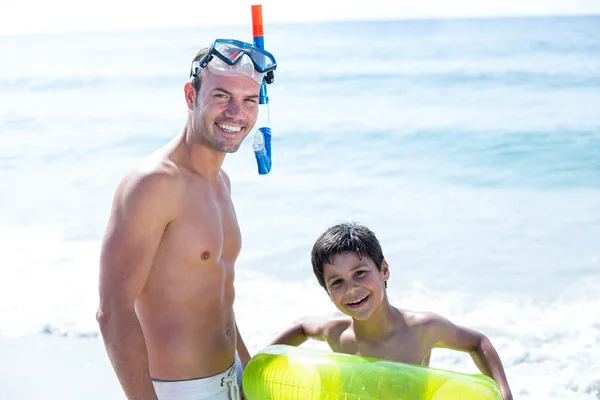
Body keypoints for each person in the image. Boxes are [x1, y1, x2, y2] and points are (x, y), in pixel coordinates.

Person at [96, 39, 277, 400]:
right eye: (221, 96)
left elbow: (216, 296)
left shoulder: (221, 183)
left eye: (249, 100)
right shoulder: (155, 183)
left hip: (232, 380)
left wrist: (247, 374)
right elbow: (112, 311)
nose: (235, 112)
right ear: (191, 96)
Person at [269, 222, 513, 400]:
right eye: (337, 282)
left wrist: (504, 393)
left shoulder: (422, 329)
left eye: (360, 274)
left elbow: (478, 342)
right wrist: (259, 363)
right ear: (327, 291)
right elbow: (301, 328)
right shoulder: (337, 332)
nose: (352, 289)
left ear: (383, 270)